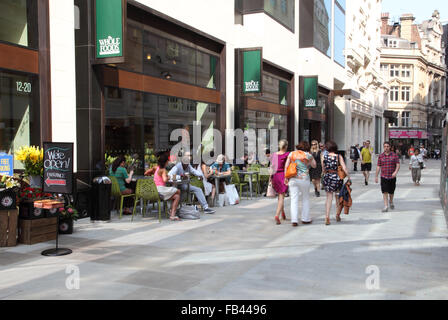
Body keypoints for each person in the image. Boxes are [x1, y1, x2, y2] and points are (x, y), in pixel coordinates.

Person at [284, 141, 316, 227]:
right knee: (305, 198)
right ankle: (305, 219)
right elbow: (314, 165)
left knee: (294, 199)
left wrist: (286, 177)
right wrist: (308, 162)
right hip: (304, 178)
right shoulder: (308, 155)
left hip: (293, 178)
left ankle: (294, 220)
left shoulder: (292, 154)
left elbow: (286, 166)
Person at [322, 141, 350, 225]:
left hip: (328, 177)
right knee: (338, 197)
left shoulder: (324, 156)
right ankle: (338, 214)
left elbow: (323, 169)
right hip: (337, 177)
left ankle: (327, 216)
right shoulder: (338, 156)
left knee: (328, 197)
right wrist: (348, 177)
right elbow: (344, 167)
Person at [154, 154, 181, 221]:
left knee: (177, 196)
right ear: (166, 162)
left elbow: (161, 176)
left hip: (155, 190)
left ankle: (172, 214)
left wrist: (166, 176)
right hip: (160, 189)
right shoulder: (163, 170)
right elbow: (164, 180)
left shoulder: (157, 168)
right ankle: (172, 210)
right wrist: (167, 177)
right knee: (178, 191)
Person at [375, 141, 400, 212]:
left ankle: (391, 201)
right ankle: (386, 206)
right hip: (384, 176)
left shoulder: (394, 155)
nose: (386, 148)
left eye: (387, 146)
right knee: (385, 191)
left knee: (391, 191)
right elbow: (378, 166)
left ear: (390, 147)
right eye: (385, 146)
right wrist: (376, 176)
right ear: (383, 147)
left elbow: (398, 164)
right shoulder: (381, 156)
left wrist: (395, 172)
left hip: (392, 177)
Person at [270, 139, 290, 225]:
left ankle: (282, 213)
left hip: (275, 176)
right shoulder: (287, 154)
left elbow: (272, 167)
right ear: (286, 146)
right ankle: (277, 215)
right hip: (282, 176)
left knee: (280, 195)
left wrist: (270, 179)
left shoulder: (274, 155)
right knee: (282, 196)